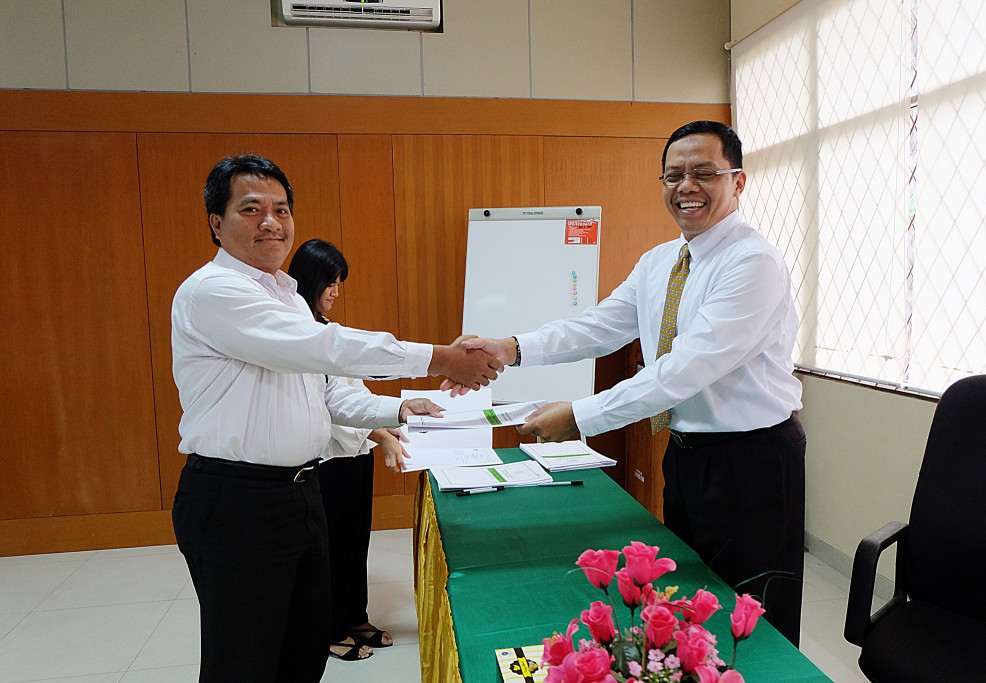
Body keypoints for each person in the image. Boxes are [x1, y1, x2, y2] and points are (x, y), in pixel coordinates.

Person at [448, 121, 806, 645]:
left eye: (704, 173)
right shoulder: (659, 261)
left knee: (753, 615)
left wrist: (579, 416)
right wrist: (513, 347)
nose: (686, 187)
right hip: (686, 454)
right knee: (693, 601)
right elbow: (598, 327)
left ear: (739, 181)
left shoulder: (752, 262)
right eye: (673, 175)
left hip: (752, 461)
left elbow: (683, 370)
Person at [170, 154, 503, 683]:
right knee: (245, 661)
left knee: (303, 652)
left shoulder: (286, 296)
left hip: (302, 493)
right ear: (216, 222)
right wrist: (439, 357)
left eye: (281, 209)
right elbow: (323, 348)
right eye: (251, 209)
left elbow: (326, 395)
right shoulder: (214, 291)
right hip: (238, 500)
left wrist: (398, 408)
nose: (270, 222)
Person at [288, 238, 404, 661]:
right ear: (309, 280)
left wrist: (386, 428)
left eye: (340, 283)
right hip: (326, 460)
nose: (336, 292)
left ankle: (355, 616)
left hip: (355, 457)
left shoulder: (327, 330)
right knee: (330, 549)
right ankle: (328, 630)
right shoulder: (296, 334)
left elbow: (355, 393)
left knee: (356, 544)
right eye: (330, 283)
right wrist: (383, 432)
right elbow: (328, 406)